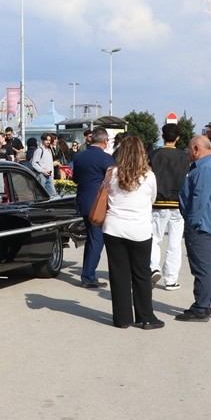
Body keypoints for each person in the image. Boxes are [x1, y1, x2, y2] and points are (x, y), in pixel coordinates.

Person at [102, 137, 163, 329]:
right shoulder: (149, 176)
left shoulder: (111, 173)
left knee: (118, 274)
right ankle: (146, 317)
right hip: (139, 230)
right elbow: (152, 199)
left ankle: (122, 319)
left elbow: (104, 194)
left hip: (113, 228)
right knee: (141, 275)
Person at [176, 136, 211, 322]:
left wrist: (190, 222)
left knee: (202, 268)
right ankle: (204, 304)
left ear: (196, 148)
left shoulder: (204, 168)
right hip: (205, 224)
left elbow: (199, 199)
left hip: (200, 226)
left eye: (189, 149)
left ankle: (202, 307)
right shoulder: (209, 166)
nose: (188, 153)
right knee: (206, 267)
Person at [73, 126, 116, 289]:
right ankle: (88, 276)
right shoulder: (106, 159)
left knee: (92, 239)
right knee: (97, 240)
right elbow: (112, 182)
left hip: (83, 202)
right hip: (98, 204)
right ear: (105, 141)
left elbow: (76, 179)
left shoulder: (79, 157)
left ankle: (87, 272)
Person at [149, 123, 189, 291]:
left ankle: (153, 268)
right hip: (178, 203)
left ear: (162, 135)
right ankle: (171, 279)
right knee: (175, 242)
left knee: (154, 239)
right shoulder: (185, 156)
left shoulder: (153, 155)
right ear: (178, 138)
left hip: (158, 202)